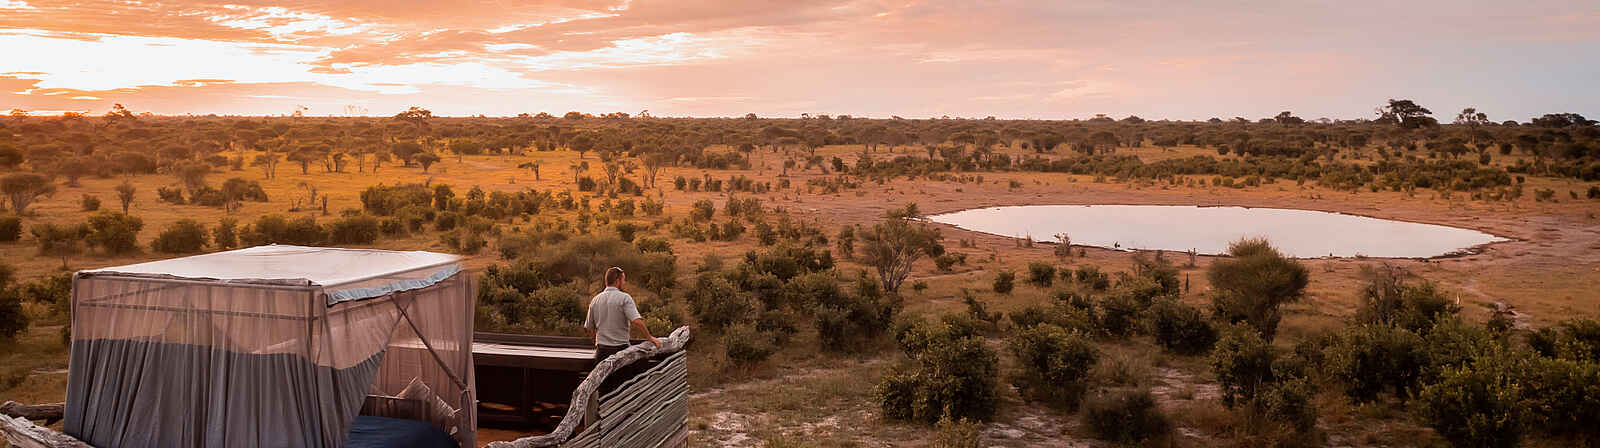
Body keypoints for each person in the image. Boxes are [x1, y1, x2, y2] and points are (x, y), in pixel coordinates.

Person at [583, 266, 660, 396]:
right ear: (618, 281)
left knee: (603, 393)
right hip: (620, 351)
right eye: (623, 280)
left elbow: (589, 327)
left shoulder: (595, 300)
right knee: (622, 392)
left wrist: (596, 341)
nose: (624, 283)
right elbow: (636, 321)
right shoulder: (624, 298)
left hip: (601, 352)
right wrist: (650, 337)